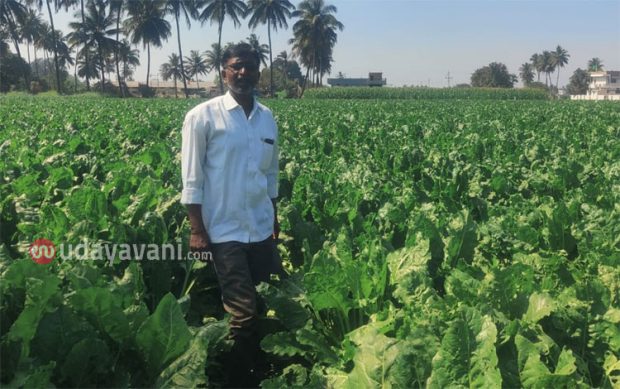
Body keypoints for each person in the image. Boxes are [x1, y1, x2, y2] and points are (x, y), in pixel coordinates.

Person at [180, 42, 282, 387]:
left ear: (258, 71)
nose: (243, 73)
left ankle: (262, 365)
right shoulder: (202, 116)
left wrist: (275, 216)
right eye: (236, 66)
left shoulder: (267, 118)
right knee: (242, 312)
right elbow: (192, 179)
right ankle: (240, 379)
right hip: (224, 231)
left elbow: (271, 175)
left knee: (270, 299)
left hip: (260, 227)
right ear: (223, 71)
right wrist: (197, 230)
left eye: (250, 67)